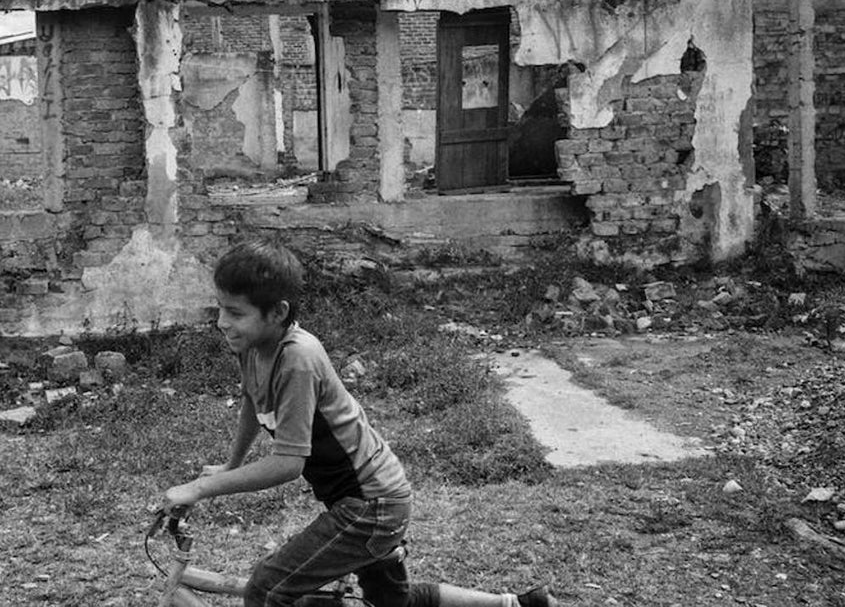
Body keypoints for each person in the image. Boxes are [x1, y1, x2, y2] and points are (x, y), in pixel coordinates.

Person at [161, 241, 556, 607]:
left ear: (278, 312)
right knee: (391, 602)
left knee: (268, 588)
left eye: (235, 312)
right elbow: (252, 399)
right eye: (220, 309)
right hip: (366, 497)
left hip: (372, 505)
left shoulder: (297, 358)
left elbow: (288, 463)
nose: (222, 323)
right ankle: (517, 604)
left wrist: (202, 488)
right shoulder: (252, 346)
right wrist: (231, 464)